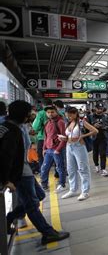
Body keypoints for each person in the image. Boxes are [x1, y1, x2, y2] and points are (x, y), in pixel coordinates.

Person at [2, 100, 70, 245]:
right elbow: (5, 156)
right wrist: (5, 180)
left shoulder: (19, 126)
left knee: (39, 195)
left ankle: (9, 218)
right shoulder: (11, 130)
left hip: (24, 170)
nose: (31, 115)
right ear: (23, 114)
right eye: (29, 113)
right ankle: (48, 233)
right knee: (32, 204)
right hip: (20, 173)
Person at [59, 107, 97, 201]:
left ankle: (85, 191)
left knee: (83, 169)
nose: (69, 117)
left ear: (76, 114)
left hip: (79, 147)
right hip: (69, 146)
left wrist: (82, 136)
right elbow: (69, 135)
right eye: (67, 115)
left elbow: (95, 131)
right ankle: (73, 189)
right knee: (70, 169)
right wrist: (64, 138)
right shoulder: (68, 123)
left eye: (71, 114)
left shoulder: (81, 122)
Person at [40, 106, 67, 192]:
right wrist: (44, 148)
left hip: (57, 150)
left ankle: (62, 184)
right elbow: (46, 137)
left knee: (60, 167)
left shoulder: (60, 122)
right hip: (48, 149)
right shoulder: (47, 122)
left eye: (52, 112)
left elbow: (64, 138)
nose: (50, 114)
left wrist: (58, 149)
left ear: (56, 112)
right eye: (48, 112)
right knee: (44, 168)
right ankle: (44, 184)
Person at [32, 99, 53, 176]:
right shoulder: (57, 112)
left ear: (43, 105)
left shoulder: (41, 113)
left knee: (41, 156)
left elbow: (35, 127)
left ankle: (43, 172)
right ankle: (58, 173)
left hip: (42, 137)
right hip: (55, 139)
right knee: (55, 155)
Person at [90, 103, 108, 177]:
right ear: (95, 108)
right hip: (94, 137)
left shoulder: (106, 116)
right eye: (98, 108)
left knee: (103, 153)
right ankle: (96, 165)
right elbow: (86, 127)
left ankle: (103, 168)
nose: (100, 110)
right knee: (95, 153)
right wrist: (93, 126)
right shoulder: (91, 116)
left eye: (101, 108)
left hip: (103, 137)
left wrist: (103, 127)